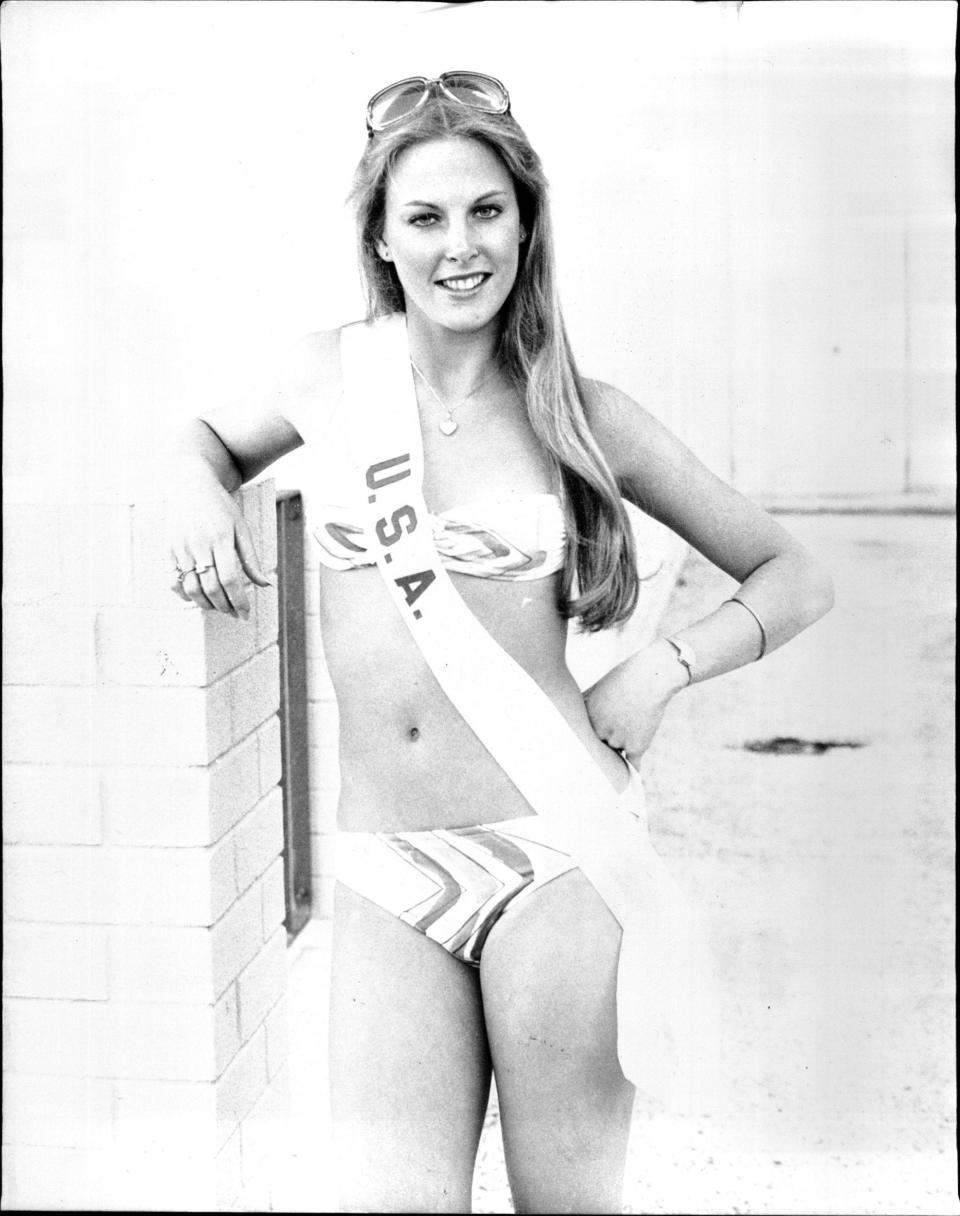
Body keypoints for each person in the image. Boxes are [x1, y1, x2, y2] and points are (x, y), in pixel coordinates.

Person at [165, 72, 834, 1214]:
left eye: (486, 210)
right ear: (381, 238)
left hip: (555, 855)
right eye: (424, 217)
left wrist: (666, 666)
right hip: (387, 872)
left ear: (526, 221)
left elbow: (796, 573)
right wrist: (191, 482)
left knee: (565, 1202)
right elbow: (204, 438)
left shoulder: (584, 413)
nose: (458, 245)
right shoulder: (328, 378)